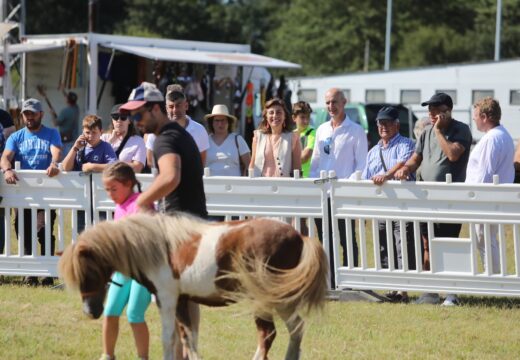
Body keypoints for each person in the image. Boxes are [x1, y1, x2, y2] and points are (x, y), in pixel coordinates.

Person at [120, 82, 207, 358]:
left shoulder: (165, 139)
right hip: (192, 222)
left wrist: (142, 202)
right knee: (186, 298)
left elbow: (171, 177)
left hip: (180, 227)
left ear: (156, 109)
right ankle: (188, 353)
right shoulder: (177, 134)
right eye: (131, 115)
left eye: (138, 114)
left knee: (172, 298)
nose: (135, 121)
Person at [395, 92, 472, 306]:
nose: (430, 113)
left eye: (435, 109)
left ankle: (451, 294)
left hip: (449, 199)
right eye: (429, 109)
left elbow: (453, 154)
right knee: (427, 244)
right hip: (425, 197)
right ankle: (429, 292)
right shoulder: (426, 131)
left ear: (447, 110)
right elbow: (416, 158)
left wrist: (438, 130)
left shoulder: (461, 129)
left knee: (448, 244)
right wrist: (405, 168)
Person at [0, 98, 62, 286]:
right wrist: (7, 169)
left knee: (44, 231)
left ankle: (48, 273)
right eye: (26, 114)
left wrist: (54, 163)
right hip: (23, 194)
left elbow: (56, 151)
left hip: (46, 192)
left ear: (41, 114)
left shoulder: (51, 133)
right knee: (23, 231)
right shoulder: (16, 137)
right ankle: (30, 273)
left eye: (32, 114)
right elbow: (5, 157)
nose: (29, 117)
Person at [310, 88, 367, 282]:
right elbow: (315, 162)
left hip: (343, 194)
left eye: (334, 102)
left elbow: (361, 165)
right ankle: (329, 278)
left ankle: (351, 279)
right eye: (327, 103)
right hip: (322, 192)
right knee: (324, 238)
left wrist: (347, 187)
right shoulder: (322, 129)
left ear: (344, 102)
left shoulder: (356, 131)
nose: (330, 106)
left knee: (347, 238)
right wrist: (313, 183)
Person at [361, 106, 416, 302]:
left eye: (387, 122)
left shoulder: (407, 143)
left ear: (396, 124)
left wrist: (386, 175)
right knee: (384, 244)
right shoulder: (373, 151)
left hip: (402, 205)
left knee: (403, 244)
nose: (383, 126)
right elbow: (367, 177)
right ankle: (391, 286)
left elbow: (402, 164)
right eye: (380, 123)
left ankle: (404, 288)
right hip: (381, 206)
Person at [100, 162, 152, 360]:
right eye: (107, 190)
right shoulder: (119, 206)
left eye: (114, 189)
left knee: (134, 314)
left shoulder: (142, 203)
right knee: (110, 310)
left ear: (129, 183)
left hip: (144, 269)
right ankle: (107, 355)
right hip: (123, 268)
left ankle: (143, 358)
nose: (110, 194)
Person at [465, 97, 514, 274]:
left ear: (484, 117)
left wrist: (474, 197)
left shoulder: (492, 139)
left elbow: (484, 173)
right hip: (494, 197)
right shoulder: (503, 135)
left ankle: (492, 275)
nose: (474, 119)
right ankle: (493, 274)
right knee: (487, 237)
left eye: (476, 115)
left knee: (484, 238)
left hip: (485, 198)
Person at [62, 115, 117, 233]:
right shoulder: (80, 148)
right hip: (82, 198)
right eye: (87, 132)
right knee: (81, 232)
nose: (90, 136)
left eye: (94, 132)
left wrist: (92, 166)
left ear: (101, 132)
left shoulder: (105, 147)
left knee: (102, 234)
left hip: (101, 199)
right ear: (82, 132)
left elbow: (114, 166)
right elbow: (66, 167)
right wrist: (74, 148)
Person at [144, 84, 210, 169]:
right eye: (171, 106)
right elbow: (150, 161)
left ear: (186, 105)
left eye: (178, 105)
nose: (175, 110)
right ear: (166, 107)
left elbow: (201, 162)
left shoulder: (199, 130)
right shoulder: (156, 129)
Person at [249, 97, 301, 177]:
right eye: (271, 112)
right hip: (260, 186)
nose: (275, 115)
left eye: (279, 112)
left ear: (285, 116)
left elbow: (297, 170)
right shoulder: (258, 136)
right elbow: (252, 165)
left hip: (284, 187)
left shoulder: (293, 138)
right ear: (266, 116)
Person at [205, 104, 250, 176]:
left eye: (223, 120)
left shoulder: (238, 140)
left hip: (234, 186)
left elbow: (249, 166)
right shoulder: (205, 141)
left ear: (229, 122)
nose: (220, 124)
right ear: (211, 123)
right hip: (209, 185)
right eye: (217, 120)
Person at [101, 104, 146, 173]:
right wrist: (110, 142)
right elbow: (96, 158)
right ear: (112, 120)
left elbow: (137, 168)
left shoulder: (138, 141)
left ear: (129, 121)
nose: (119, 120)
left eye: (123, 117)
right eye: (115, 117)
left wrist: (97, 166)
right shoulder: (104, 138)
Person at [51, 91, 79, 156]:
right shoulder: (76, 109)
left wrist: (52, 114)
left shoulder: (65, 111)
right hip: (74, 140)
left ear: (67, 100)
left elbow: (55, 123)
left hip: (66, 141)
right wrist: (63, 90)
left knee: (65, 161)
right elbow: (71, 99)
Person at [292, 101, 315, 178]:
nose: (306, 121)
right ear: (294, 118)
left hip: (307, 177)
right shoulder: (290, 134)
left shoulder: (312, 132)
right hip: (292, 177)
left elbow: (305, 157)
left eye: (308, 117)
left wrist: (288, 159)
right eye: (302, 117)